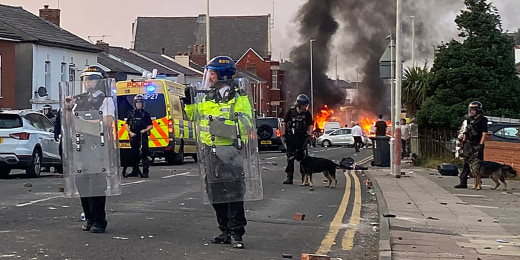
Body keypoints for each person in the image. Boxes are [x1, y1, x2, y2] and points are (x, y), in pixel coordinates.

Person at [184, 56, 261, 249]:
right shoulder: (208, 96)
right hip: (209, 151)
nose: (209, 77)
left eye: (212, 73)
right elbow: (195, 117)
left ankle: (236, 232)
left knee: (234, 192)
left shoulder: (239, 97)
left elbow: (246, 124)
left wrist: (219, 127)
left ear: (223, 75)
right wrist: (189, 103)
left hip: (230, 152)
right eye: (209, 73)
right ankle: (224, 230)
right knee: (214, 192)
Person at [60, 65, 120, 233]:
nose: (88, 83)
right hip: (79, 146)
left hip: (97, 145)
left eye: (92, 79)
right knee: (82, 185)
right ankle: (89, 218)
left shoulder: (105, 100)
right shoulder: (78, 100)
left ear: (100, 81)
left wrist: (83, 123)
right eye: (86, 79)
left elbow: (107, 121)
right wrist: (67, 109)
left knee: (96, 185)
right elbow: (69, 123)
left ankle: (100, 220)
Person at [454, 101, 488, 189]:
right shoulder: (469, 119)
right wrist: (463, 143)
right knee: (466, 163)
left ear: (478, 110)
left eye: (473, 110)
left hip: (476, 143)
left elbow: (484, 133)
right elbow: (466, 131)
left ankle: (478, 183)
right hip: (468, 144)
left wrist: (481, 144)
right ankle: (463, 182)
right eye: (471, 109)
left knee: (477, 164)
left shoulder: (483, 120)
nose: (472, 111)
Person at [282, 94, 313, 184]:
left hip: (302, 138)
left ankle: (304, 179)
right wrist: (284, 135)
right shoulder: (291, 112)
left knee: (303, 159)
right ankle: (289, 177)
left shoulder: (307, 114)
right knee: (290, 158)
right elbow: (284, 122)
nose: (305, 107)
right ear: (299, 104)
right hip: (291, 138)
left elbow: (310, 125)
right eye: (304, 105)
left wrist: (309, 136)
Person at [124, 95, 153, 178]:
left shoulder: (146, 114)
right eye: (137, 103)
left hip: (142, 136)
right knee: (134, 154)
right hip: (134, 136)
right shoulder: (132, 114)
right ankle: (135, 171)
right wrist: (130, 132)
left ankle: (145, 171)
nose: (139, 104)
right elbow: (126, 124)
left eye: (140, 103)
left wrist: (145, 130)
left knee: (144, 153)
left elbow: (151, 125)